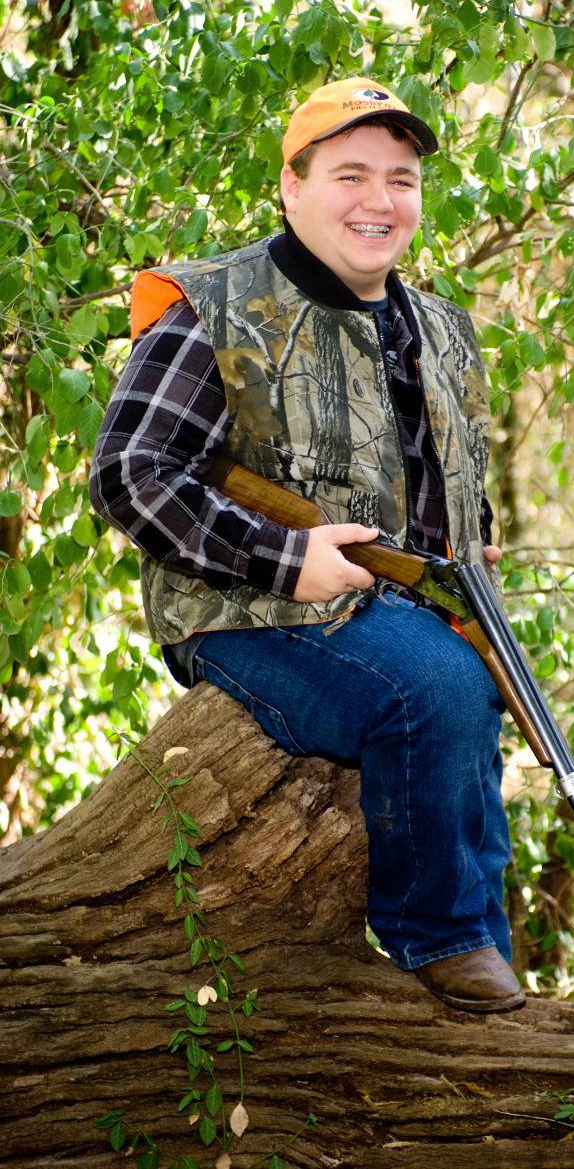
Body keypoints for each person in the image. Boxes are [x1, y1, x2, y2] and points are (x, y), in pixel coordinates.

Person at [90, 77, 525, 1014]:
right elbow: (131, 473)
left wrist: (471, 563)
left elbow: (455, 480)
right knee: (435, 688)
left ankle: (481, 936)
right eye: (350, 174)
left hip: (399, 602)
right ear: (291, 186)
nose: (379, 201)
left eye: (401, 180)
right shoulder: (214, 307)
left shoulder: (443, 330)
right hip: (240, 608)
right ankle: (437, 938)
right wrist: (284, 559)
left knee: (477, 684)